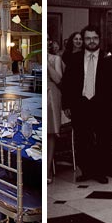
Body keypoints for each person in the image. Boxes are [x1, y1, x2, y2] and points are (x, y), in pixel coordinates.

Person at [61, 25, 112, 184]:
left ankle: (100, 172)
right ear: (83, 40)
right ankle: (86, 171)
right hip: (81, 105)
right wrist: (66, 105)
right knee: (82, 140)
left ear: (99, 39)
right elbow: (67, 83)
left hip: (103, 105)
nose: (91, 41)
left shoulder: (110, 58)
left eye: (94, 38)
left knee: (104, 140)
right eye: (88, 38)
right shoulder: (75, 58)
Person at [47, 40, 64, 183]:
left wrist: (47, 64)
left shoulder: (55, 59)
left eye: (48, 39)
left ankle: (47, 170)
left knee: (50, 132)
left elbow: (59, 79)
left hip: (51, 95)